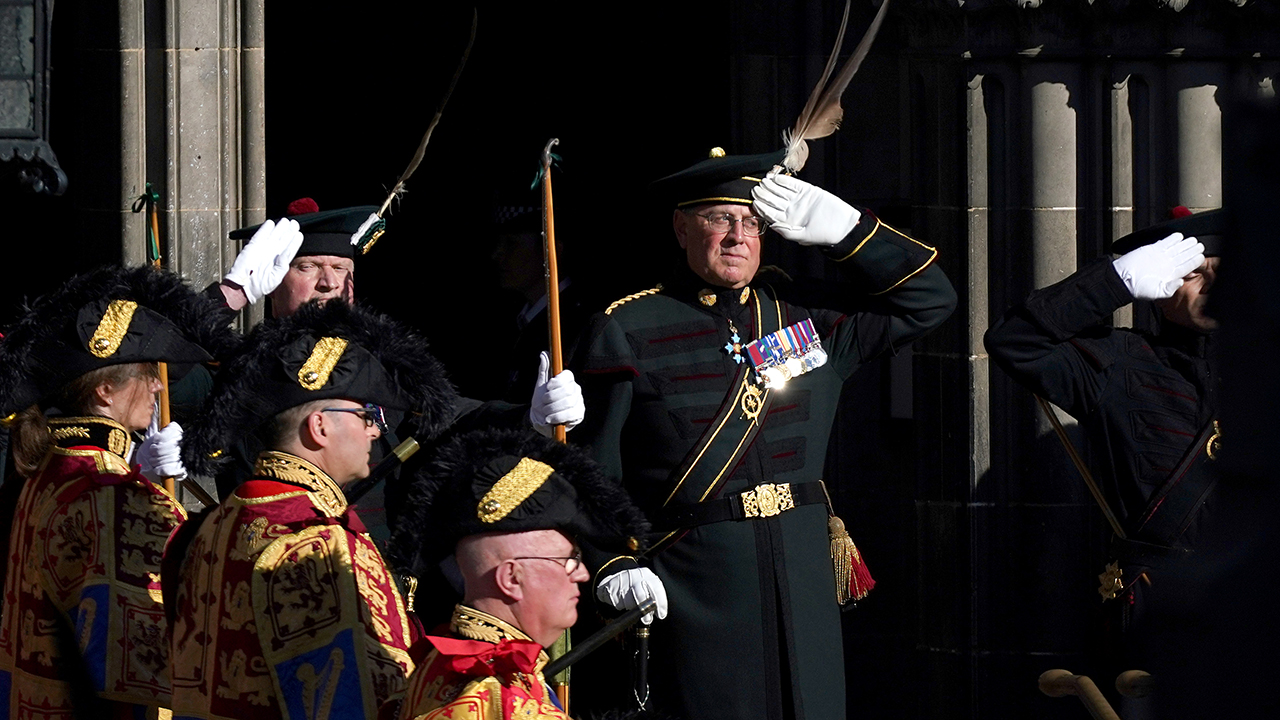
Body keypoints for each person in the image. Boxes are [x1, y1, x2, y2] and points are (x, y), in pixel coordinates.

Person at [569, 149, 957, 720]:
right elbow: (592, 471)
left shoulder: (804, 319)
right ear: (681, 228)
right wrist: (610, 563)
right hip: (698, 585)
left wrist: (849, 232)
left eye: (752, 222)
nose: (737, 236)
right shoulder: (628, 325)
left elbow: (931, 300)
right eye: (720, 219)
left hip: (802, 578)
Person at [166, 300, 457, 720]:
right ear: (319, 426)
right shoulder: (322, 544)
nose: (376, 429)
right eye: (365, 413)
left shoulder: (218, 521)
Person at [984, 209, 1221, 676]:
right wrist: (1115, 282)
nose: (1213, 284)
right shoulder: (1120, 360)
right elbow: (1014, 341)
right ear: (1160, 287)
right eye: (1192, 272)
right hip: (1164, 614)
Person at [0, 266, 239, 718]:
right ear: (106, 391)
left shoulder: (49, 469)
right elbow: (169, 650)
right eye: (148, 373)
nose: (157, 385)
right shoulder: (117, 493)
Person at [390, 428, 650, 720]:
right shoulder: (499, 697)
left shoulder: (436, 664)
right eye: (568, 560)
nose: (582, 575)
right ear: (512, 578)